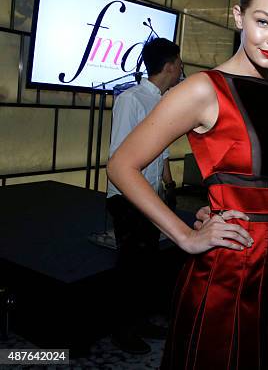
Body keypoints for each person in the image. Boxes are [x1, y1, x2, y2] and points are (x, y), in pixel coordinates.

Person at [107, 0, 268, 369]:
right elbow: (122, 165)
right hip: (230, 267)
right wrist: (184, 235)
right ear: (238, 16)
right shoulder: (203, 89)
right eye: (263, 21)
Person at [106, 37, 182, 354]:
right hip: (128, 198)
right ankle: (122, 330)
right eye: (179, 63)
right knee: (130, 267)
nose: (181, 69)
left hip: (150, 197)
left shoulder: (161, 102)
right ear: (168, 66)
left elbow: (159, 150)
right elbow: (120, 159)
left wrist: (168, 183)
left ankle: (141, 321)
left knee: (146, 265)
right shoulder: (131, 100)